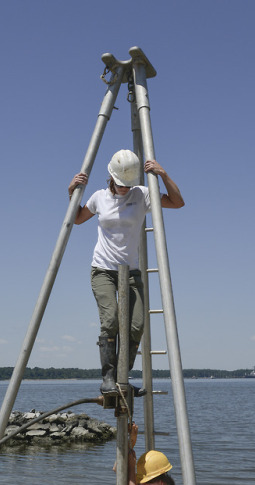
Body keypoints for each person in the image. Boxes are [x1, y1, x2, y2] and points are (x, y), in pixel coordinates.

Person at [68, 150, 184, 394]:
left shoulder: (141, 194)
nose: (124, 188)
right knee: (110, 321)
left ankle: (123, 378)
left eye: (127, 184)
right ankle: (108, 378)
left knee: (136, 325)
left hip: (131, 271)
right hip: (103, 269)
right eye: (120, 184)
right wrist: (72, 192)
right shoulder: (99, 197)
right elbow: (77, 219)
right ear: (111, 177)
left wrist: (162, 174)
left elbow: (177, 202)